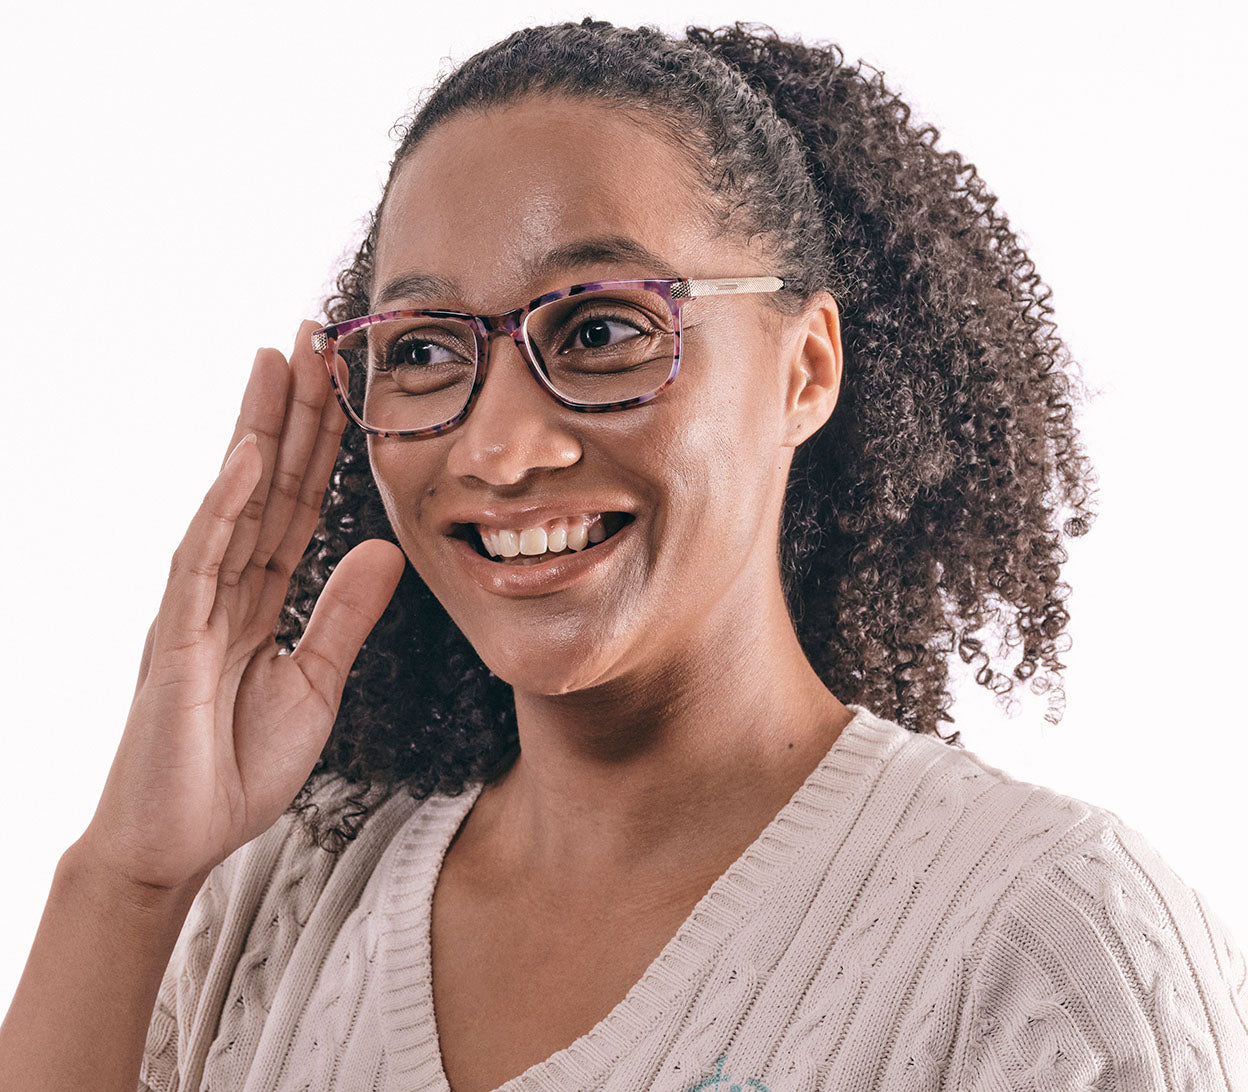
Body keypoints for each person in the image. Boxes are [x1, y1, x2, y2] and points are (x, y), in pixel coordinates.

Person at [1, 16, 1244, 1092]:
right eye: (427, 349)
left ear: (806, 366)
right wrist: (127, 881)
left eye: (601, 329)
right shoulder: (275, 902)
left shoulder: (1046, 933)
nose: (499, 447)